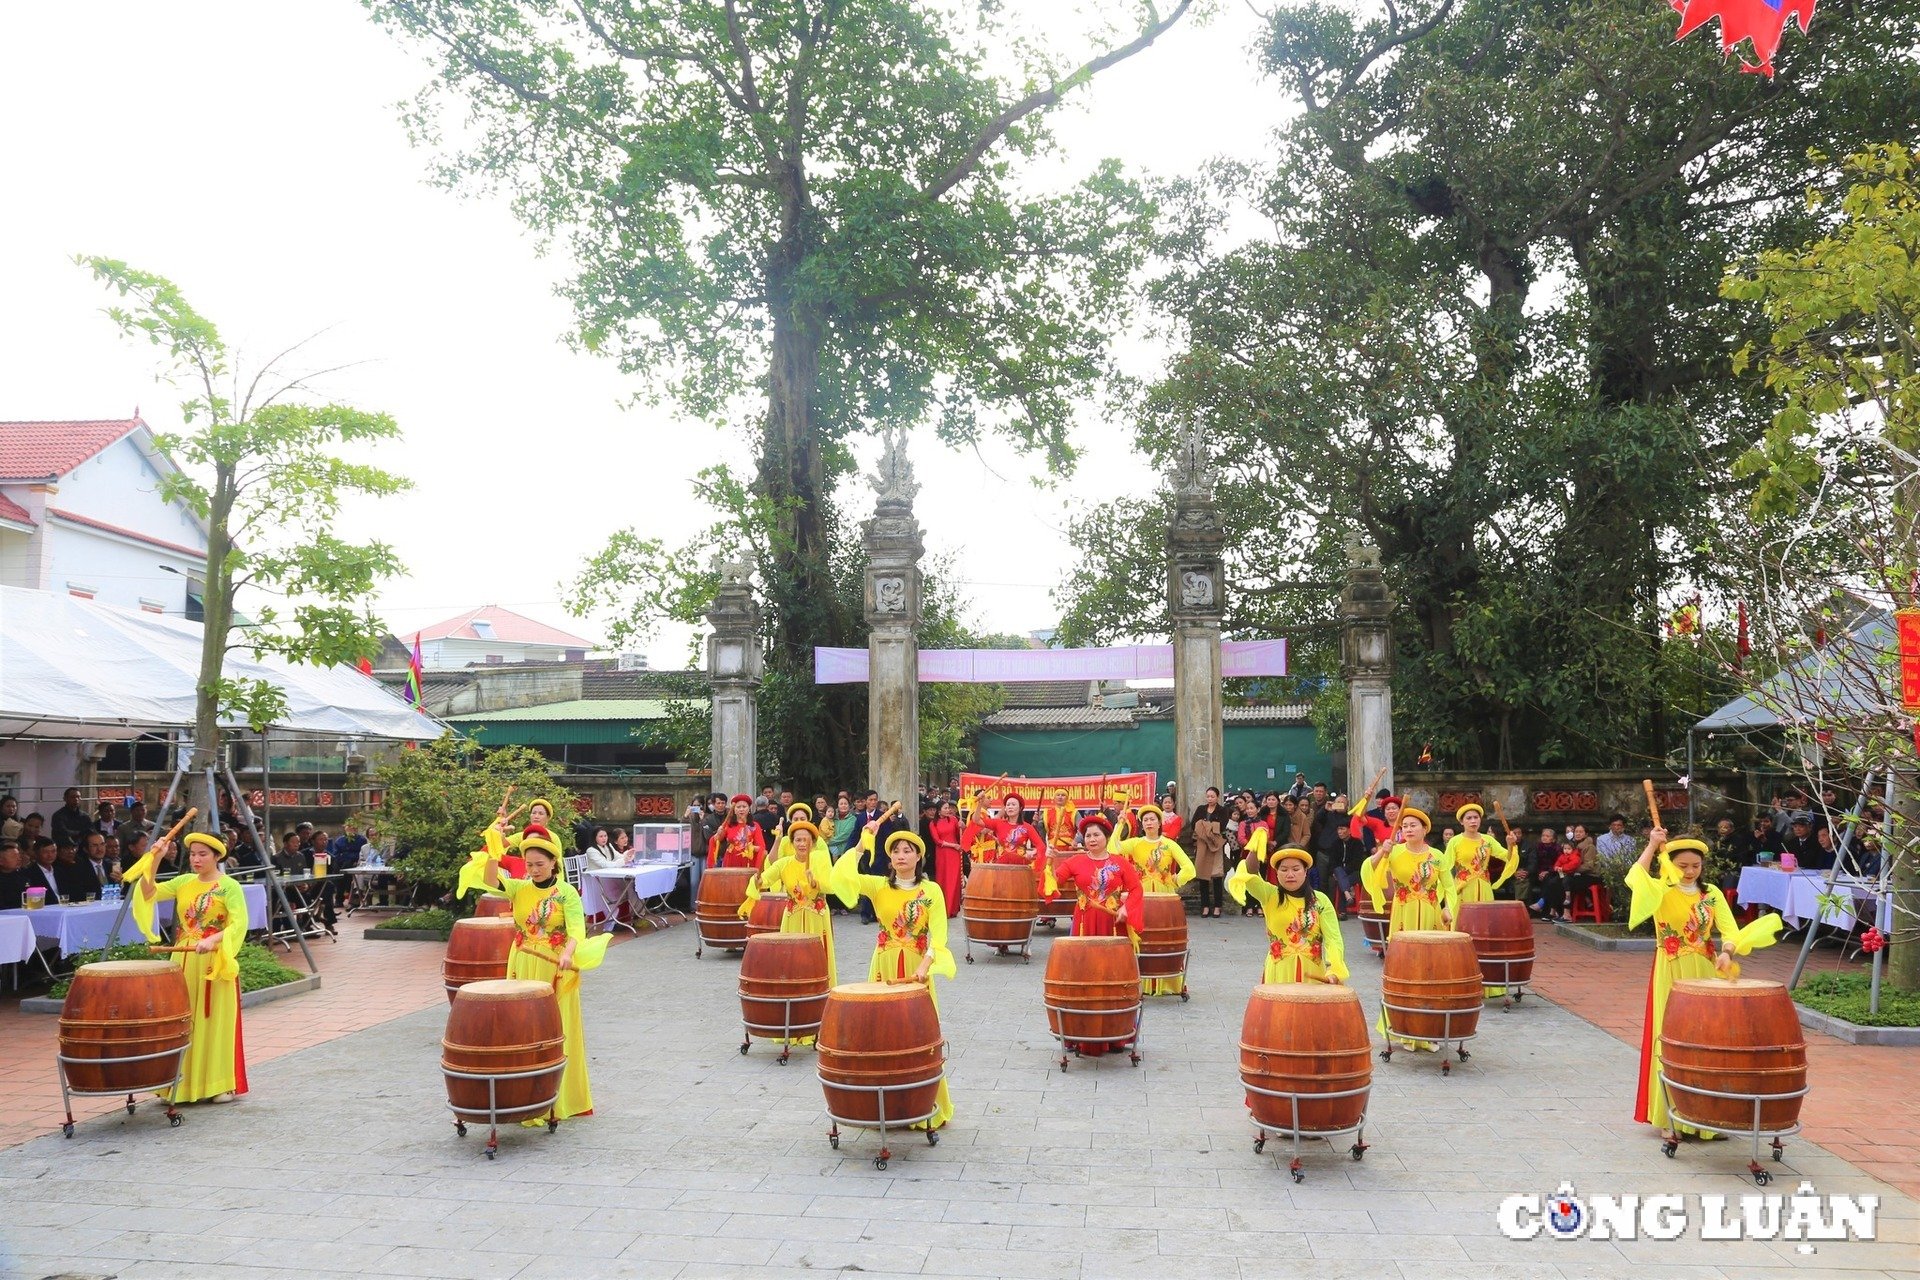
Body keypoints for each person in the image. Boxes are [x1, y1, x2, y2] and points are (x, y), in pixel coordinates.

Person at [1628, 829, 1783, 1142]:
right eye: (1683, 865)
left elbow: (1729, 930)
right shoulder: (1659, 890)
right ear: (1670, 864)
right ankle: (1670, 1115)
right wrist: (1652, 844)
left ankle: (1709, 1116)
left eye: (1695, 866)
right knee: (1672, 1037)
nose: (1689, 871)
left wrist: (1727, 952)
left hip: (1705, 969)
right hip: (1670, 971)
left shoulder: (1710, 893)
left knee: (1709, 1040)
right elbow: (1634, 876)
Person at [470, 823, 608, 1123]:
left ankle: (556, 1099)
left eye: (540, 865)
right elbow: (489, 879)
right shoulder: (519, 888)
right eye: (530, 864)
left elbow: (576, 931)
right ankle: (522, 1095)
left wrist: (568, 955)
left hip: (554, 967)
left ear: (553, 863)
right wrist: (495, 847)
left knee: (553, 1030)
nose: (533, 870)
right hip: (521, 963)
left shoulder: (566, 893)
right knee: (521, 1028)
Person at [829, 821, 954, 1131]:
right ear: (890, 859)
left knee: (918, 1033)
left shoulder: (930, 891)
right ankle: (878, 1103)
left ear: (918, 858)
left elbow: (938, 934)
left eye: (907, 851)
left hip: (917, 967)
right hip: (883, 965)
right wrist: (862, 842)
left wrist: (925, 966)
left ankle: (924, 1103)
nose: (901, 855)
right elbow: (841, 878)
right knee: (879, 1031)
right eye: (896, 851)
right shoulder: (878, 886)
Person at [127, 833, 249, 1103]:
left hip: (214, 961)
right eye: (193, 854)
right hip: (182, 960)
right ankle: (176, 1084)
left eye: (203, 854)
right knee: (182, 1022)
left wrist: (213, 940)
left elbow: (238, 925)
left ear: (217, 856)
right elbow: (149, 893)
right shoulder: (184, 882)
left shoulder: (229, 887)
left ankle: (219, 1085)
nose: (196, 859)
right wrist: (156, 858)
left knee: (214, 1021)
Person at [1043, 815, 1144, 1055]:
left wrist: (1125, 908)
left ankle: (1116, 1034)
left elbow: (1136, 888)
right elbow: (1051, 884)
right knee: (1083, 975)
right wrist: (1048, 862)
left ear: (1106, 837)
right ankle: (1080, 1032)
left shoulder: (1120, 863)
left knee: (1112, 976)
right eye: (1087, 835)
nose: (1092, 839)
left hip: (1112, 924)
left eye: (1096, 834)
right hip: (1084, 923)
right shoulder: (1075, 862)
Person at [1361, 808, 1455, 1051]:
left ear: (1425, 829)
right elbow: (1369, 871)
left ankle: (1428, 1031)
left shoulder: (1437, 856)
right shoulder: (1394, 852)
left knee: (1431, 975)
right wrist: (1383, 851)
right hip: (1404, 918)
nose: (1409, 829)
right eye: (1405, 826)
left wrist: (1448, 908)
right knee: (1405, 974)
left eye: (1414, 825)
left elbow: (1449, 887)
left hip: (1432, 919)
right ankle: (1404, 1028)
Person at [743, 818, 838, 998]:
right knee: (791, 954)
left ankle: (820, 989)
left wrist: (815, 882)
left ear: (813, 842)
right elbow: (766, 879)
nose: (802, 844)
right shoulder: (784, 863)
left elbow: (831, 886)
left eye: (806, 840)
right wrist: (757, 881)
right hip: (792, 915)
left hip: (816, 916)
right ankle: (793, 989)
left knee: (816, 954)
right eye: (798, 840)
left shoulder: (820, 860)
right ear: (792, 842)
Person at [1227, 844, 1346, 984]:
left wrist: (1334, 969)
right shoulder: (1270, 895)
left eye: (1296, 869)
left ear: (1305, 870)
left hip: (1312, 973)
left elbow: (1333, 938)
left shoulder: (1321, 900)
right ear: (1276, 872)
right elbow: (1249, 873)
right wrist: (1255, 845)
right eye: (1284, 869)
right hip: (1279, 971)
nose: (1290, 874)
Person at [1115, 805, 1194, 997]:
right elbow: (1113, 849)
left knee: (1163, 938)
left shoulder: (1169, 844)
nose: (1149, 822)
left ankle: (1166, 982)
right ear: (1142, 824)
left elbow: (1190, 869)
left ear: (1160, 823)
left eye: (1153, 819)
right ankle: (1141, 980)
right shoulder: (1135, 843)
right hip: (1140, 895)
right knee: (1142, 936)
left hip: (1164, 897)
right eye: (1146, 820)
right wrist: (1119, 826)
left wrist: (1175, 880)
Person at [1446, 803, 1518, 904]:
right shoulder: (1455, 841)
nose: (1473, 821)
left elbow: (1508, 857)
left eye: (1476, 817)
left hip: (1484, 886)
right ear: (1462, 822)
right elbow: (1445, 867)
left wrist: (1510, 845)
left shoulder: (1488, 840)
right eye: (1469, 818)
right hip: (1463, 888)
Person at [1188, 787, 1231, 919]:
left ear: (1217, 797)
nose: (1210, 799)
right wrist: (1209, 826)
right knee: (1202, 876)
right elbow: (1195, 824)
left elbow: (1221, 826)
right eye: (1208, 796)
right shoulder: (1201, 809)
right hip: (1202, 844)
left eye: (1212, 796)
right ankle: (1205, 906)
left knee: (1217, 876)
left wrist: (1205, 825)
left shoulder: (1223, 810)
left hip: (1215, 844)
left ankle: (1217, 906)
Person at [708, 795, 768, 870]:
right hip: (731, 860)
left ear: (749, 809)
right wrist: (718, 833)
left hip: (748, 861)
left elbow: (761, 847)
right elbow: (716, 840)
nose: (741, 809)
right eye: (738, 807)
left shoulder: (755, 826)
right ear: (734, 810)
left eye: (744, 806)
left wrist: (752, 848)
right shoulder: (728, 825)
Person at [926, 800, 964, 918]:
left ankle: (952, 909)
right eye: (946, 808)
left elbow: (960, 835)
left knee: (954, 880)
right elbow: (937, 841)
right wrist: (953, 845)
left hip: (954, 854)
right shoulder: (933, 823)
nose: (949, 810)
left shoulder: (953, 819)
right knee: (943, 880)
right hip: (942, 853)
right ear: (939, 810)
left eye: (949, 808)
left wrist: (963, 826)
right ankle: (943, 909)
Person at [0, 842, 26, 909]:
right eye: (14, 857)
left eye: (19, 856)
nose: (19, 859)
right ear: (1, 861)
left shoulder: (25, 875)